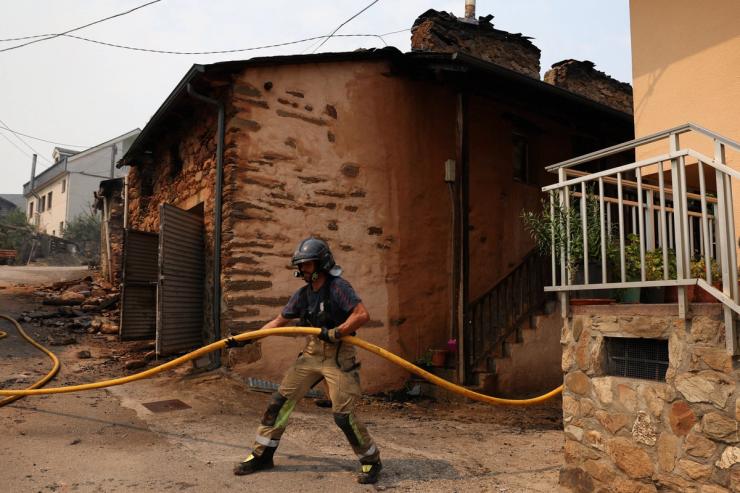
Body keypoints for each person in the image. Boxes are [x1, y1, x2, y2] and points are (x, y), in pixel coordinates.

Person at [233, 237, 382, 484]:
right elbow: (278, 322)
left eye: (307, 265)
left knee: (343, 415)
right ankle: (262, 455)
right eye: (300, 265)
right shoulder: (303, 294)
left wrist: (339, 331)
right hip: (312, 353)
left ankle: (371, 460)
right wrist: (247, 339)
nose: (302, 270)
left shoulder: (338, 287)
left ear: (321, 264)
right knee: (279, 403)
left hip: (339, 355)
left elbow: (361, 315)